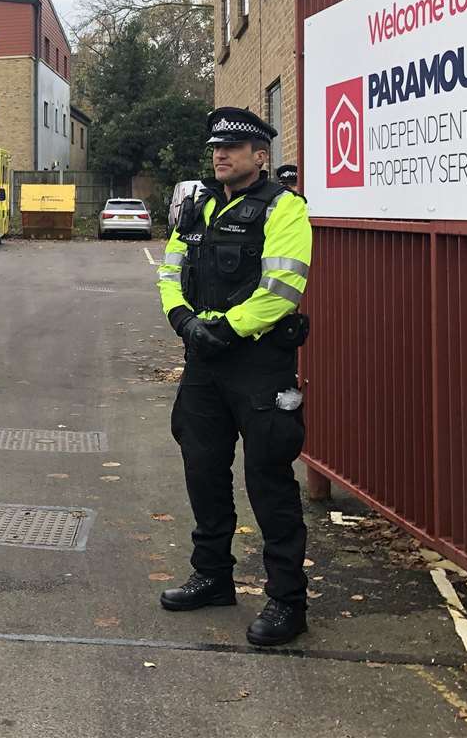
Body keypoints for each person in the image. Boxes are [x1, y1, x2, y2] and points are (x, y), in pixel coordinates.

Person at [155, 107, 313, 646]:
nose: (220, 155)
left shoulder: (284, 209)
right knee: (202, 469)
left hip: (258, 363)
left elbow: (282, 290)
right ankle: (213, 576)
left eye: (233, 148)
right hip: (205, 364)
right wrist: (181, 319)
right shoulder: (198, 207)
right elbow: (171, 268)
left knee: (268, 479)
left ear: (259, 156)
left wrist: (224, 328)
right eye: (216, 148)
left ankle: (287, 601)